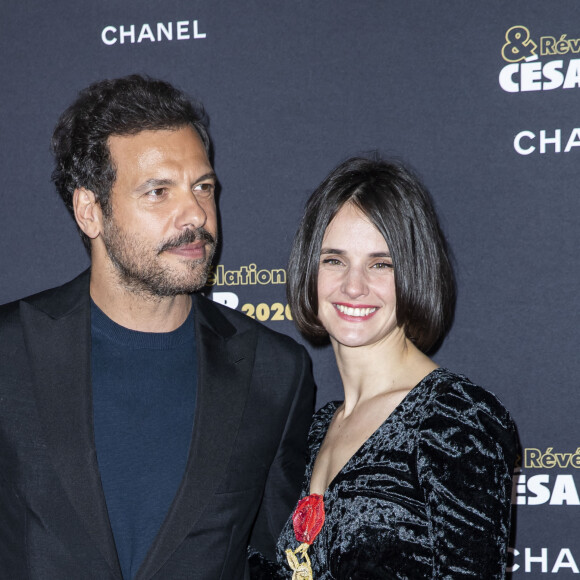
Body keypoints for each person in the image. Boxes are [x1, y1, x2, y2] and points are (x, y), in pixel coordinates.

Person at [0, 75, 314, 579]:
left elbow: (281, 563)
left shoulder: (274, 372)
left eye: (203, 188)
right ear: (90, 211)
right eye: (158, 191)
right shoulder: (9, 353)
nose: (194, 213)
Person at [270, 156, 517, 578]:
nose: (353, 285)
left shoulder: (455, 419)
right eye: (334, 260)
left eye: (380, 264)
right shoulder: (319, 428)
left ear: (414, 272)